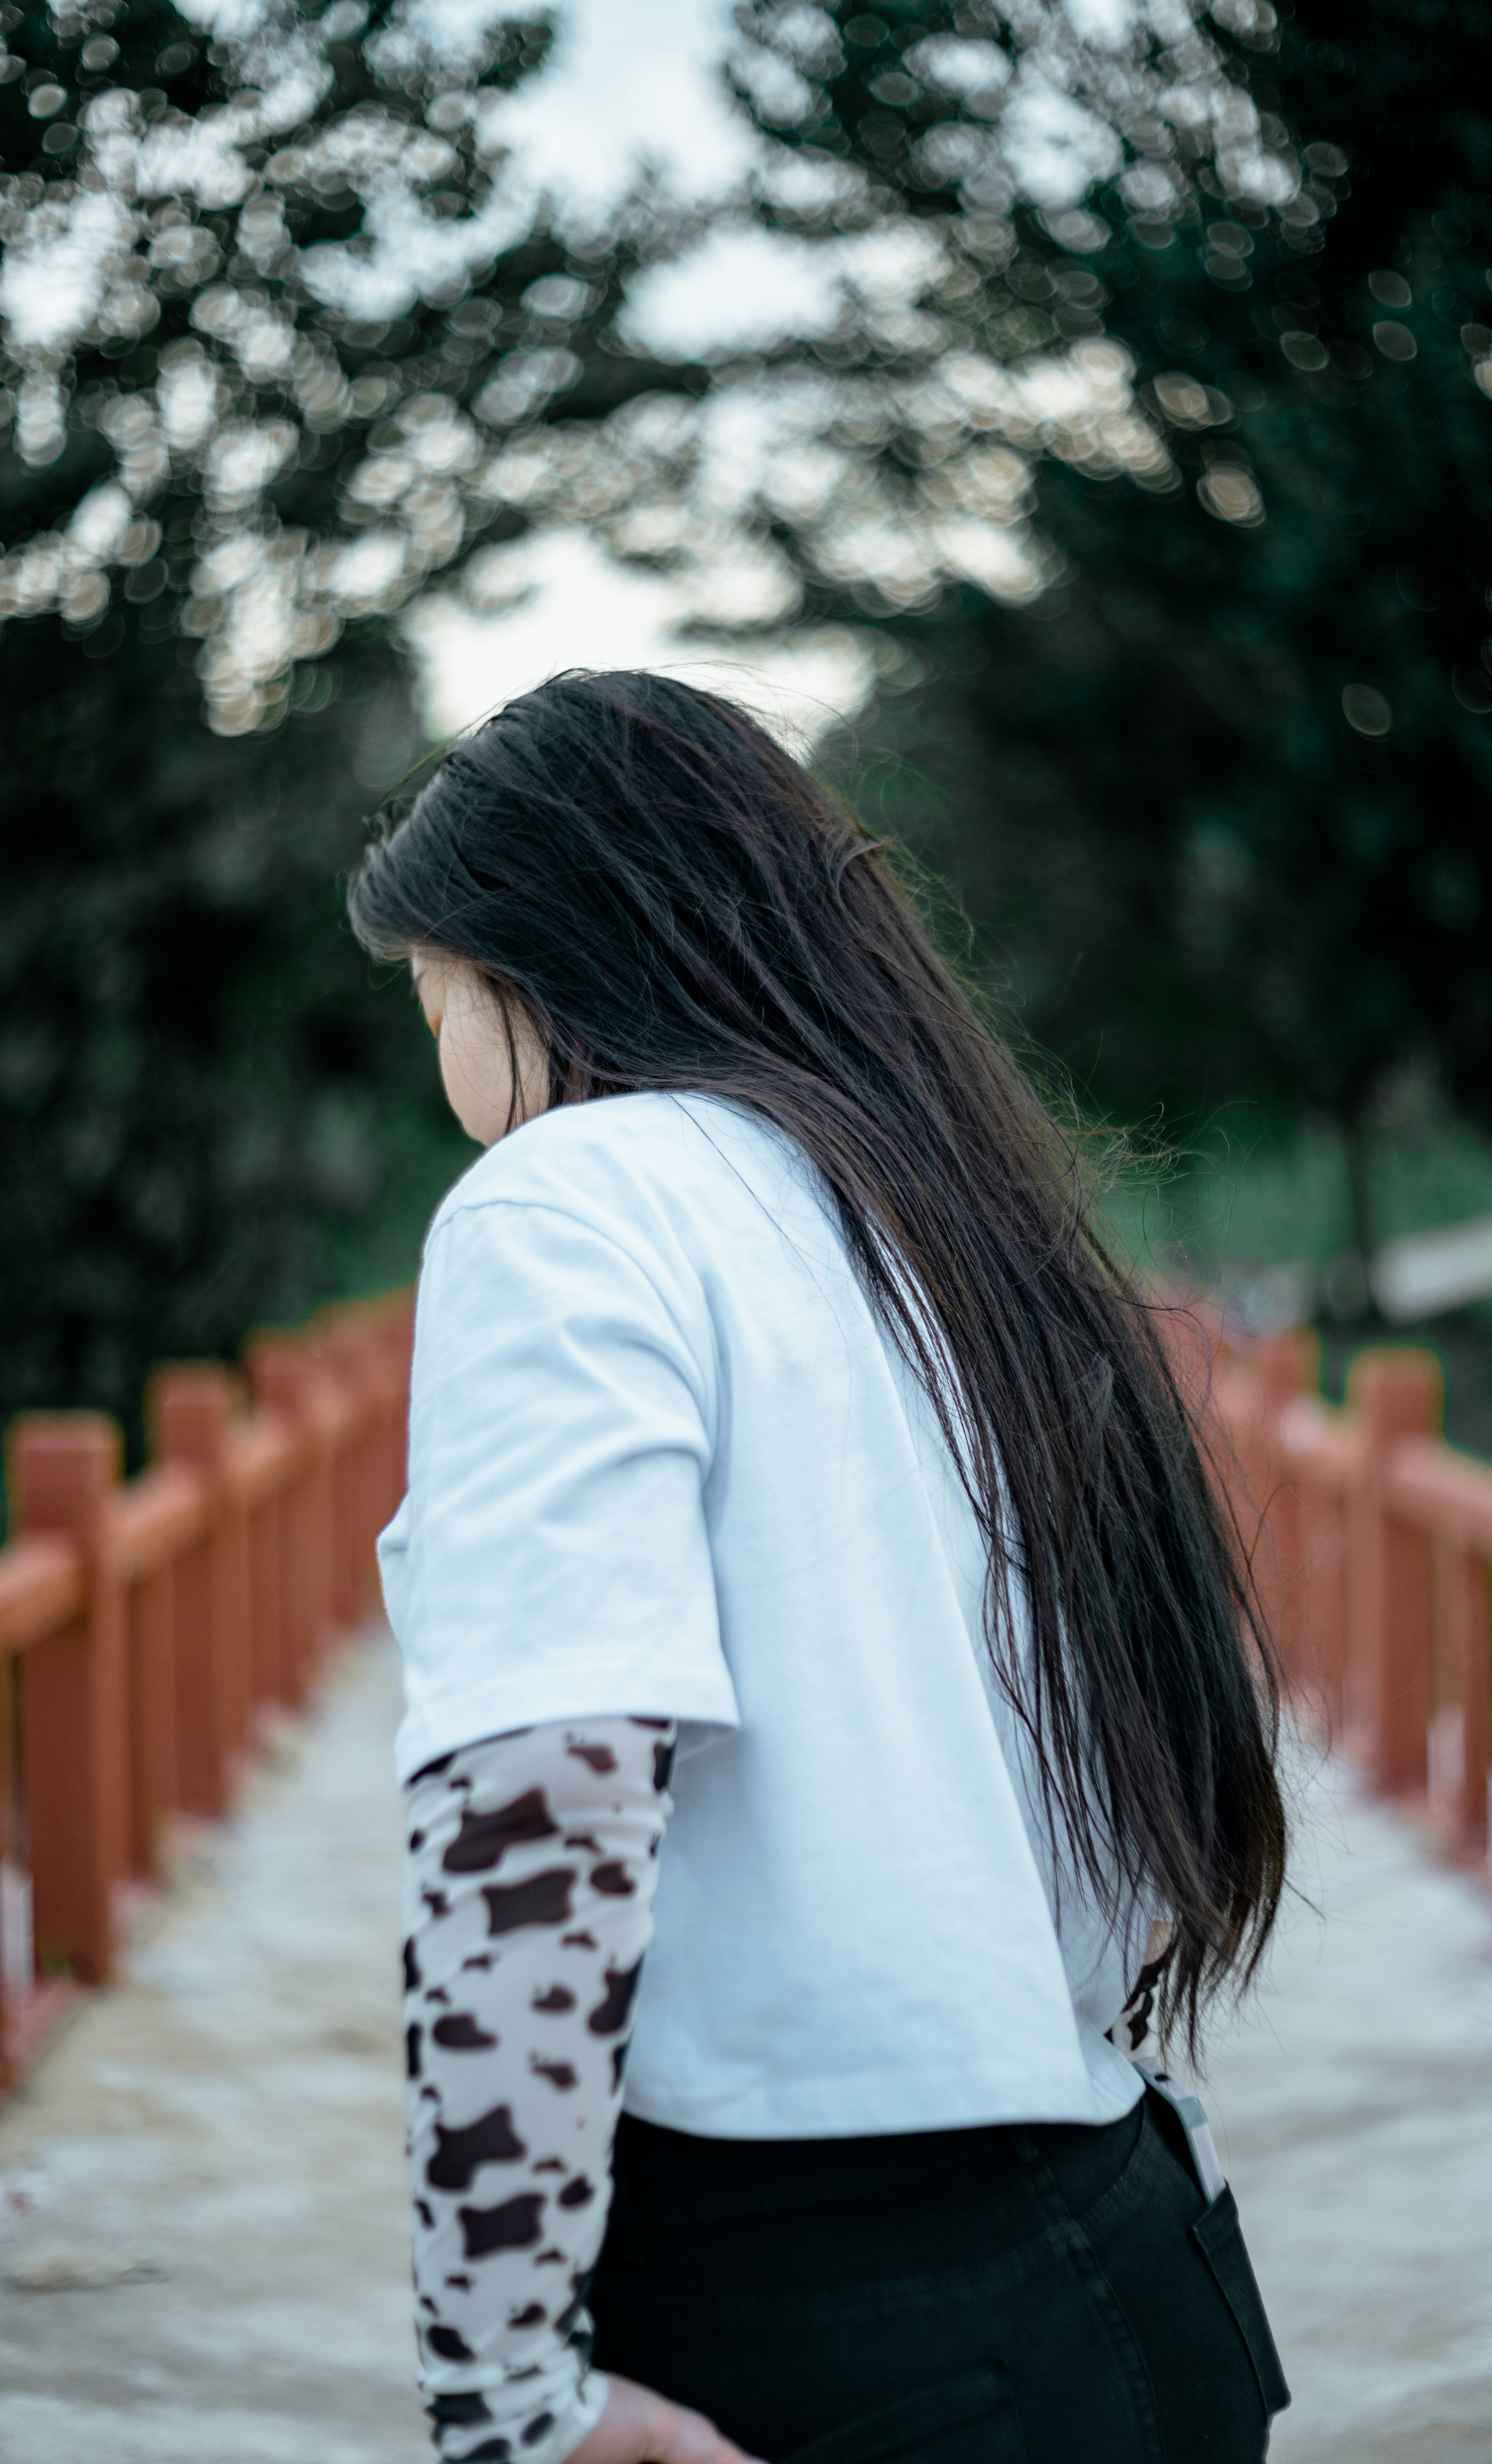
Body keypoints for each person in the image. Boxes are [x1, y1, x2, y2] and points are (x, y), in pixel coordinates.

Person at [350, 671, 1290, 2464]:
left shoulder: (564, 1203)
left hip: (830, 2327)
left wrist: (499, 2387)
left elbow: (540, 1796)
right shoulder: (949, 1209)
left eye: (431, 993)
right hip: (1134, 2261)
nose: (440, 1052)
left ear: (521, 971)